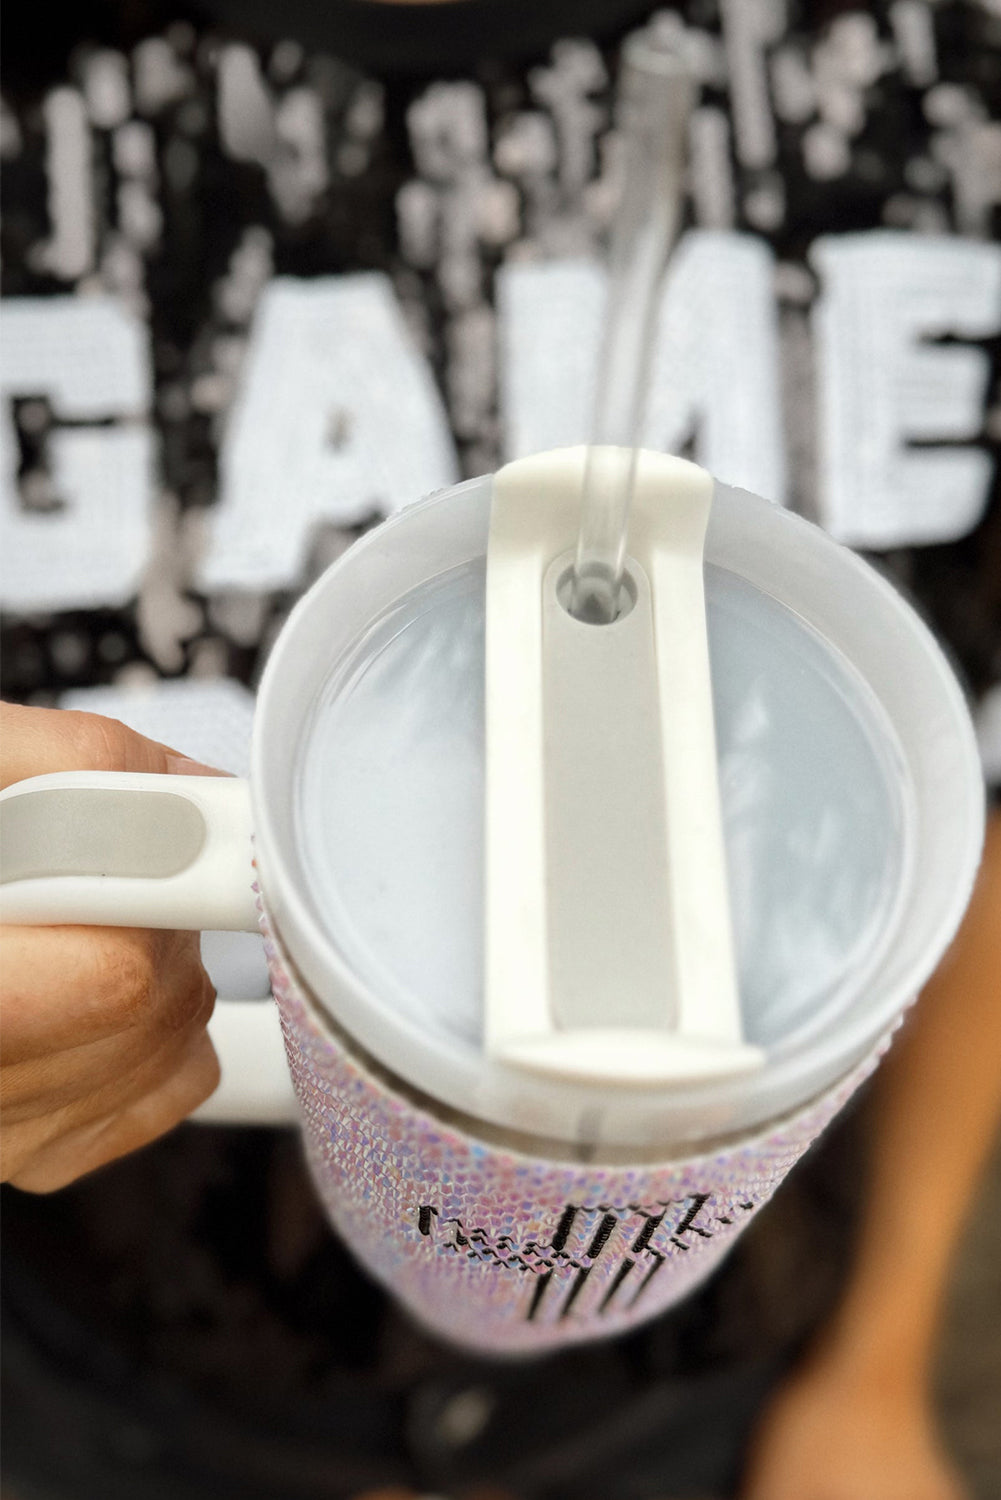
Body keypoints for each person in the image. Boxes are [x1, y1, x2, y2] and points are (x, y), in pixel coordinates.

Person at [2, 1, 1000, 1496]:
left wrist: (874, 1363)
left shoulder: (942, 95)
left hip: (709, 1381)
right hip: (99, 1374)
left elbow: (966, 810)